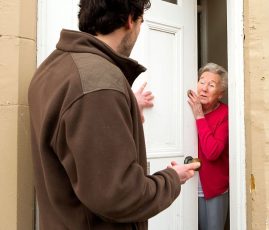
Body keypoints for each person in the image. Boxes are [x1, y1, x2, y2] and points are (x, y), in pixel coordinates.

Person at [28, 0, 200, 229]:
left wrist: (124, 107)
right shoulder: (99, 85)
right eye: (140, 23)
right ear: (130, 20)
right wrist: (172, 178)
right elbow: (121, 195)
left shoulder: (54, 67)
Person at [187, 63, 229, 230]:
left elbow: (212, 152)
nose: (204, 88)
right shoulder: (185, 108)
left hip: (212, 189)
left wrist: (199, 115)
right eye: (202, 82)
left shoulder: (225, 114)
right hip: (186, 184)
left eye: (211, 85)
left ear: (220, 94)